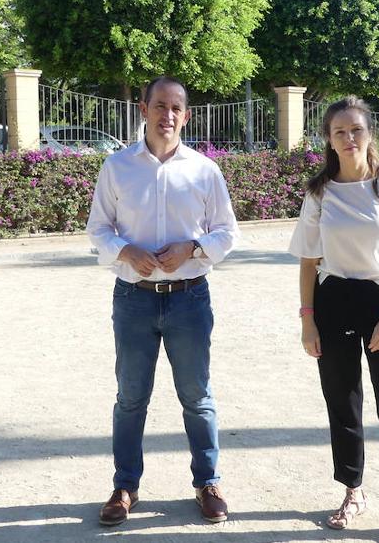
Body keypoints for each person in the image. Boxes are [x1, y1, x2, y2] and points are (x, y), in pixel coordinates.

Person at [86, 75, 240, 527]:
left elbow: (228, 232)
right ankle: (125, 486)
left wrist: (192, 248)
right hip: (133, 298)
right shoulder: (117, 167)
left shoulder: (204, 170)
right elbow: (98, 228)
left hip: (189, 300)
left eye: (176, 108)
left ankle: (207, 482)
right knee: (131, 399)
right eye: (159, 106)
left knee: (197, 397)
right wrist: (124, 251)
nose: (167, 115)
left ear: (186, 115)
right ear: (143, 109)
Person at [289, 96, 379, 543]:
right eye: (339, 132)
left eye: (356, 130)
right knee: (343, 402)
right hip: (334, 302)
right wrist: (308, 321)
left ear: (369, 135)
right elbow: (308, 261)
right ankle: (353, 491)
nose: (349, 138)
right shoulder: (319, 192)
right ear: (329, 141)